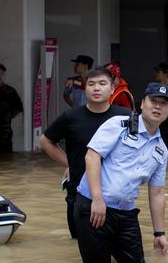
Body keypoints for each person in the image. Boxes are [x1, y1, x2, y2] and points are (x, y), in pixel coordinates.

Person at [74, 82, 168, 263]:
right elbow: (92, 156)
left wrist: (159, 233)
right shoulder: (119, 125)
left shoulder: (161, 150)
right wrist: (97, 200)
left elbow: (157, 193)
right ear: (142, 103)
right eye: (153, 101)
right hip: (94, 206)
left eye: (164, 103)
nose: (158, 106)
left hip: (126, 213)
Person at [40, 68, 130, 238]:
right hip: (79, 192)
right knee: (80, 248)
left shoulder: (125, 116)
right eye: (91, 84)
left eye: (102, 84)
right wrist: (68, 163)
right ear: (85, 88)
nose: (96, 88)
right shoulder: (70, 117)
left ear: (112, 89)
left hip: (116, 194)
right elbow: (45, 141)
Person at [0, 63, 23, 154]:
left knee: (6, 159)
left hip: (5, 133)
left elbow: (19, 107)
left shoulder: (9, 91)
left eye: (2, 73)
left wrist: (8, 116)